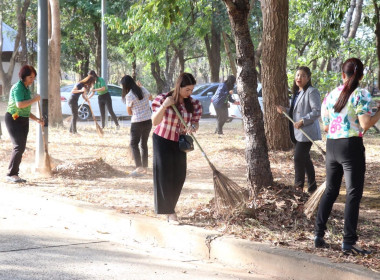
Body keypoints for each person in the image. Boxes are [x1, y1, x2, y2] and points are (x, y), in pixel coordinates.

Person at [314, 58, 380, 255]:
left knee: (331, 190)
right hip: (351, 146)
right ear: (361, 76)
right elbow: (366, 124)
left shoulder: (331, 95)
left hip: (332, 145)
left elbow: (325, 125)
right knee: (353, 194)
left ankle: (318, 235)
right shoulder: (361, 94)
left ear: (343, 75)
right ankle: (348, 242)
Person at [151, 73, 202, 224]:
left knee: (179, 175)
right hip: (162, 139)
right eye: (187, 89)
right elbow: (155, 121)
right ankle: (169, 212)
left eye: (192, 90)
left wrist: (193, 127)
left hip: (179, 142)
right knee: (164, 176)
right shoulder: (162, 98)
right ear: (178, 86)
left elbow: (195, 122)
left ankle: (170, 207)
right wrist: (165, 106)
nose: (189, 93)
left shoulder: (194, 103)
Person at [276, 66, 321, 193]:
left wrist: (302, 121)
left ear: (308, 78)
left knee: (298, 158)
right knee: (305, 158)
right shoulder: (297, 93)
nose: (299, 78)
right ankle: (312, 187)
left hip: (307, 132)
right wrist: (285, 109)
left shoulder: (312, 91)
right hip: (296, 132)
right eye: (297, 75)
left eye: (302, 75)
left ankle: (298, 187)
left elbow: (317, 111)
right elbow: (296, 111)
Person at [5, 65, 44, 183]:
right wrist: (35, 100)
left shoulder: (26, 88)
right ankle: (11, 174)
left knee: (21, 147)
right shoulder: (18, 88)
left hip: (23, 119)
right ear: (23, 76)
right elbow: (20, 105)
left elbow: (25, 110)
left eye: (34, 77)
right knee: (18, 146)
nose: (32, 80)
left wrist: (37, 119)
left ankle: (14, 173)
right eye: (30, 77)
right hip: (13, 118)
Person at [121, 75, 152, 176]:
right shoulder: (142, 89)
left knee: (134, 144)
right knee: (144, 144)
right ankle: (145, 168)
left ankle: (139, 167)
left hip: (137, 122)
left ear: (125, 86)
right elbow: (151, 97)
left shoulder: (129, 95)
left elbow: (129, 112)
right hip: (148, 121)